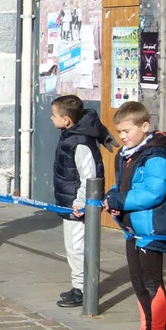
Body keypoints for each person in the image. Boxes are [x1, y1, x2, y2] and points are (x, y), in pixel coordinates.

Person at [103, 100, 166, 330]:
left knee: (152, 282)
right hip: (133, 229)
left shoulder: (156, 158)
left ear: (145, 127)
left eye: (127, 130)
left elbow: (153, 193)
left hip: (152, 230)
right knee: (138, 281)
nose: (122, 136)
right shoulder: (126, 155)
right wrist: (111, 197)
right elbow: (123, 186)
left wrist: (120, 200)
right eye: (119, 132)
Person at [51, 94, 115, 308]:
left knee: (77, 247)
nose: (51, 118)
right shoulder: (70, 136)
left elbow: (89, 176)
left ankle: (82, 289)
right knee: (72, 247)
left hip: (78, 206)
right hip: (69, 202)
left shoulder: (80, 143)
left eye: (54, 115)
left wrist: (80, 202)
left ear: (66, 120)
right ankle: (78, 284)